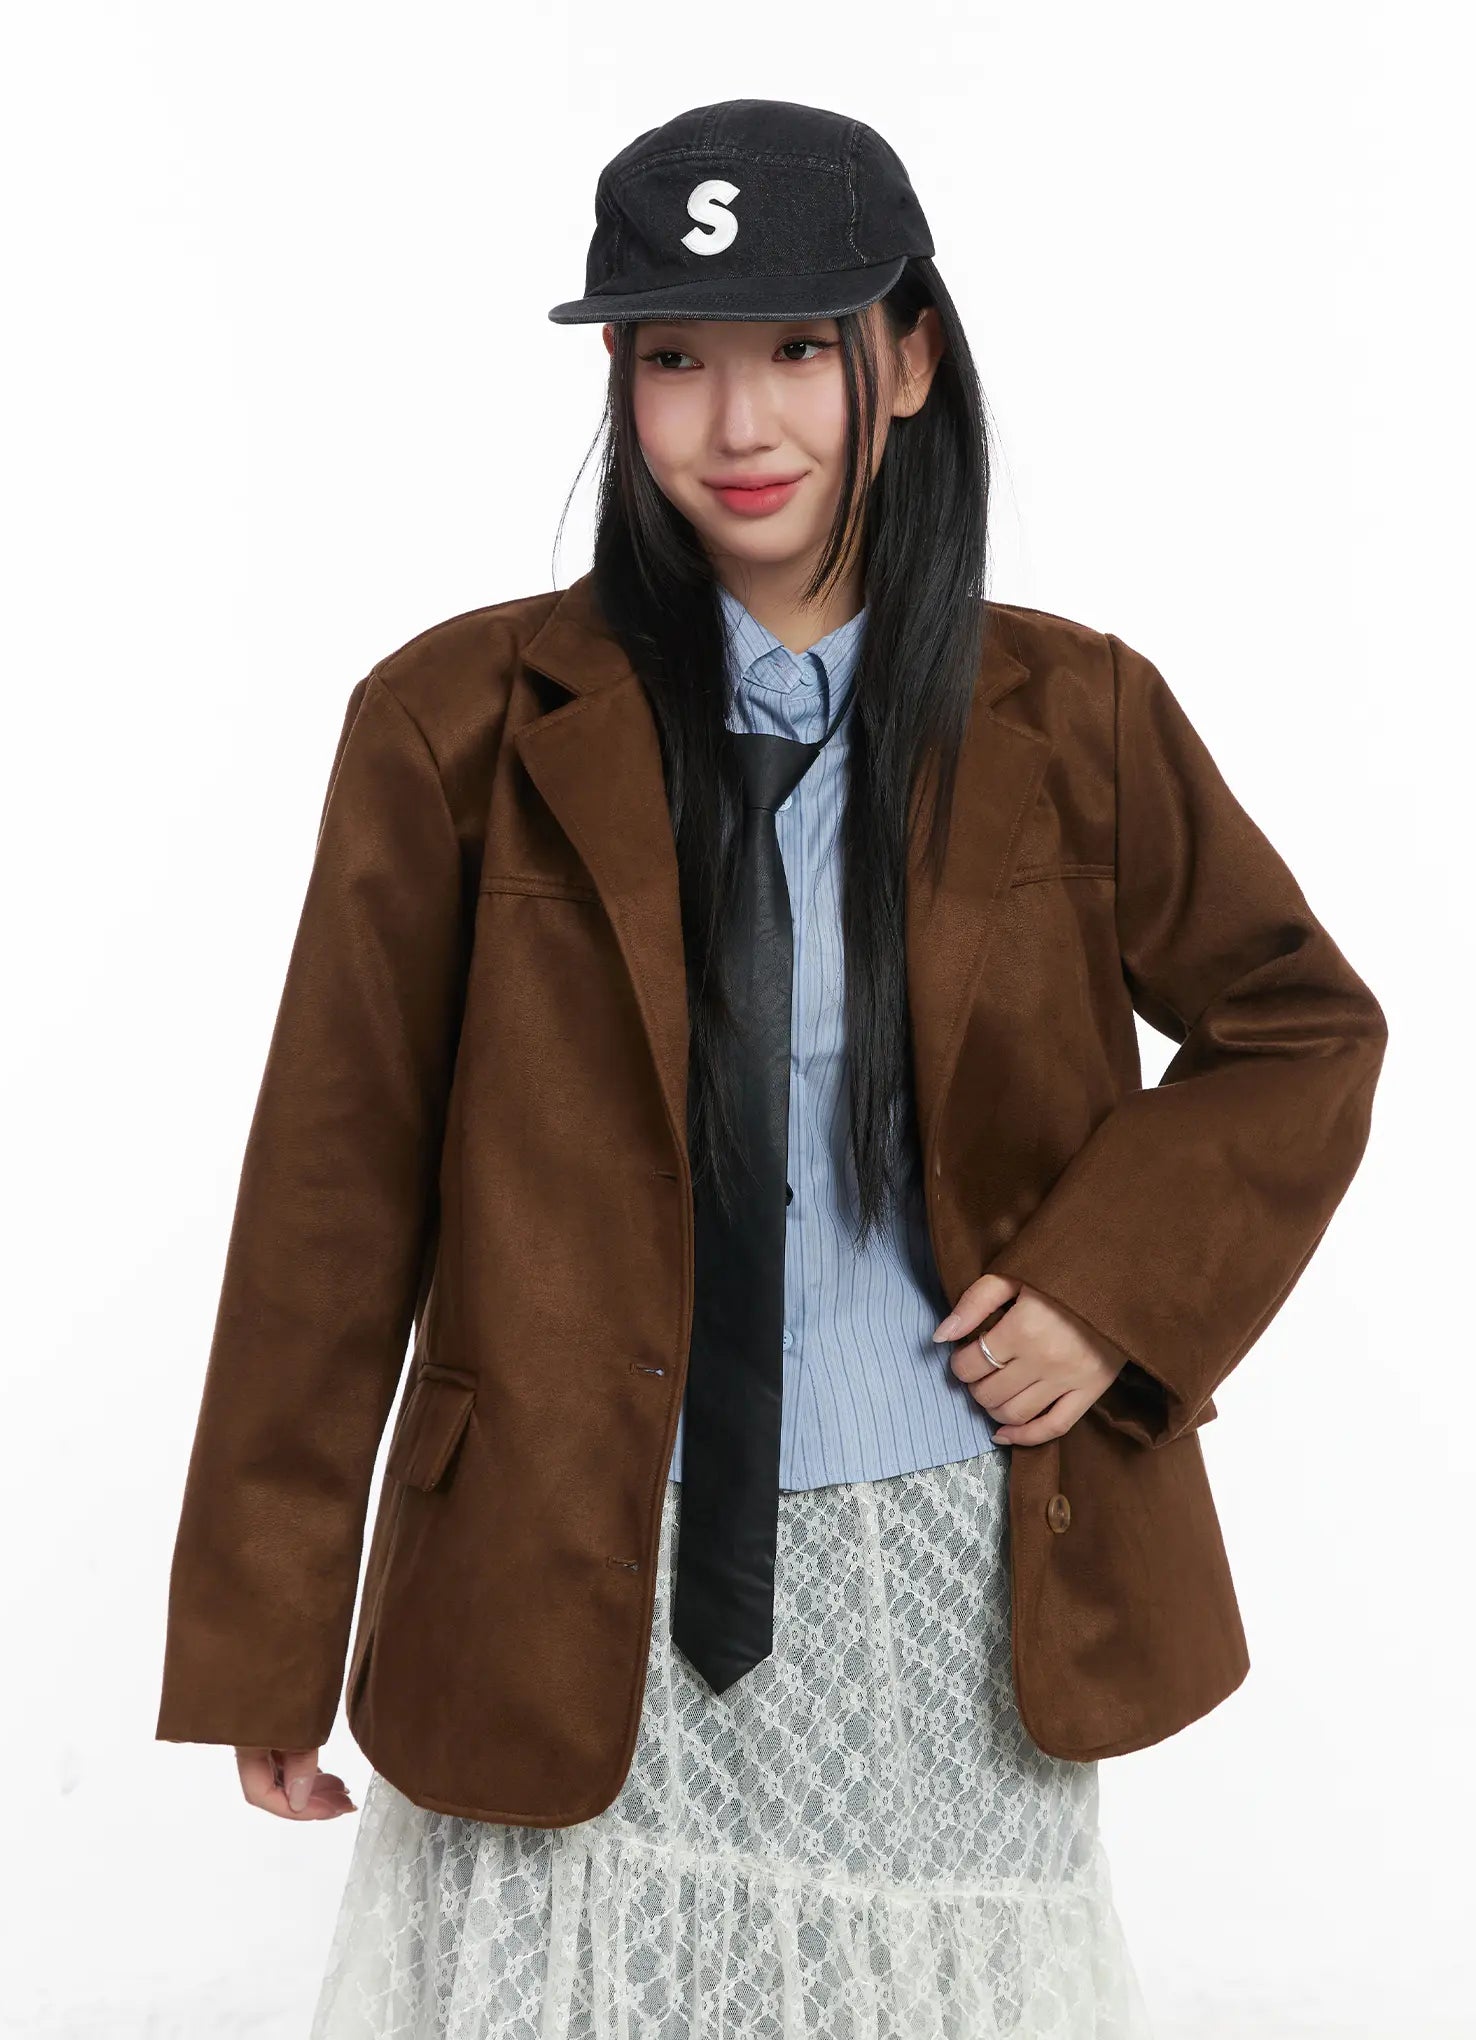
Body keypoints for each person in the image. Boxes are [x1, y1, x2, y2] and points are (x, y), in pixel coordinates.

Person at [155, 99, 1388, 2038]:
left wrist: (1108, 1290)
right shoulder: (454, 725)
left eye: (801, 349)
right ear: (623, 386)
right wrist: (262, 1635)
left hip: (944, 1568)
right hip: (561, 1555)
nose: (738, 425)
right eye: (674, 361)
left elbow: (1300, 1026)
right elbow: (333, 1191)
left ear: (906, 360)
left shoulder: (1075, 714)